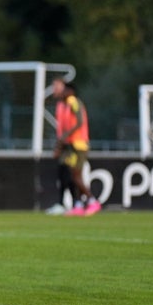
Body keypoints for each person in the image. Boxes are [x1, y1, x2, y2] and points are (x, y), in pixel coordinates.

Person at [52, 78, 101, 216]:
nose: (63, 92)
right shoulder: (65, 104)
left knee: (76, 176)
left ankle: (92, 201)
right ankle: (78, 205)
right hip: (71, 145)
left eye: (65, 90)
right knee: (72, 175)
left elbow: (80, 121)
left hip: (79, 145)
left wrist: (66, 135)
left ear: (70, 91)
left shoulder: (73, 102)